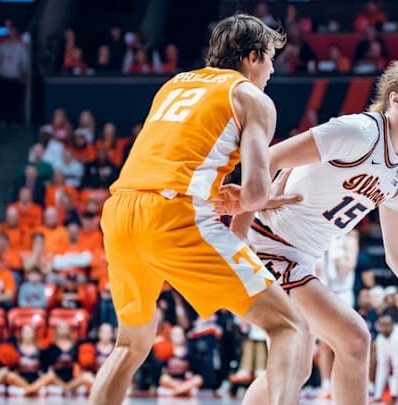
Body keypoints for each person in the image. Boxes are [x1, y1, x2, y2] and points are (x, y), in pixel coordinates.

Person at [88, 15, 311, 405]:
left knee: (130, 344)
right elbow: (258, 190)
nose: (273, 69)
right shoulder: (251, 97)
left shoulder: (173, 84)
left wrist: (225, 196)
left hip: (120, 210)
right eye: (272, 58)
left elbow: (175, 156)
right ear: (254, 56)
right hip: (172, 216)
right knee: (290, 326)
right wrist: (249, 197)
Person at [222, 57, 398, 405]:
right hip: (268, 244)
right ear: (395, 99)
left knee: (299, 365)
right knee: (352, 339)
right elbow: (268, 158)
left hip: (298, 258)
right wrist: (237, 237)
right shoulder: (358, 132)